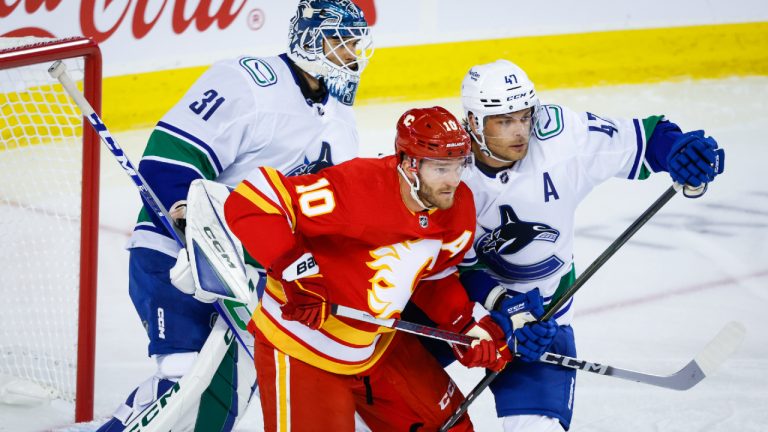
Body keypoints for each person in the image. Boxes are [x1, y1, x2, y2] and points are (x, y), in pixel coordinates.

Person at [97, 1, 373, 430]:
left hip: (246, 278)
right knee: (182, 377)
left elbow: (321, 217)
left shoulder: (341, 121)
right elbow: (166, 161)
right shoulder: (246, 83)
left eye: (355, 43)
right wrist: (192, 221)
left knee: (230, 388)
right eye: (340, 41)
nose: (351, 54)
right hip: (176, 254)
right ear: (308, 40)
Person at [456, 59, 725, 431]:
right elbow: (451, 265)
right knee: (381, 398)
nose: (520, 132)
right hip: (454, 315)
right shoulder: (449, 167)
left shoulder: (561, 141)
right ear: (473, 122)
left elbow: (644, 138)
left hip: (541, 321)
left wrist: (679, 150)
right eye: (504, 121)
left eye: (524, 117)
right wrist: (503, 309)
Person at [223, 106, 513, 431]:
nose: (453, 181)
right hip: (303, 349)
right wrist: (297, 271)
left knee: (450, 426)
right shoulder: (359, 188)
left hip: (378, 346)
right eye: (441, 168)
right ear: (409, 164)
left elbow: (432, 274)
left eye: (459, 166)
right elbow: (254, 198)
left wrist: (463, 326)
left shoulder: (457, 207)